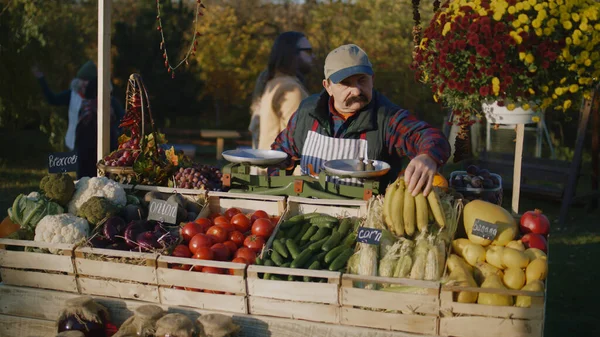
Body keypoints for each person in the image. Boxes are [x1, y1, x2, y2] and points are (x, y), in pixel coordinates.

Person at [270, 44, 451, 196]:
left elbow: (430, 136)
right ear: (328, 86)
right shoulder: (307, 112)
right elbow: (281, 152)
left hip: (366, 219)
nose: (356, 91)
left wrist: (427, 156)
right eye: (346, 83)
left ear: (372, 79)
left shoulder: (386, 117)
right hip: (309, 213)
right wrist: (280, 190)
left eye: (362, 80)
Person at [32, 61, 124, 178]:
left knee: (103, 178)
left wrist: (115, 131)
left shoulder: (109, 100)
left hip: (104, 146)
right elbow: (52, 99)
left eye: (88, 80)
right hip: (81, 144)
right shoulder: (72, 95)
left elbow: (122, 119)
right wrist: (41, 79)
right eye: (83, 80)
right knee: (83, 177)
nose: (85, 83)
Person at [248, 31, 314, 151]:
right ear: (292, 53)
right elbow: (298, 139)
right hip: (285, 167)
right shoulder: (290, 89)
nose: (313, 56)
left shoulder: (273, 83)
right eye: (308, 51)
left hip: (270, 163)